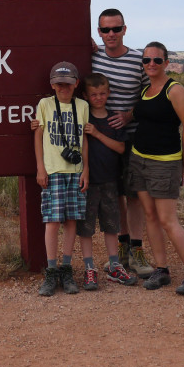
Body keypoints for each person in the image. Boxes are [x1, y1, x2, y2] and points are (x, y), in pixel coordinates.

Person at [127, 42, 184, 295]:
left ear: (166, 63)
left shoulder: (175, 90)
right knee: (150, 216)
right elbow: (141, 115)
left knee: (168, 220)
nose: (151, 64)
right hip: (139, 159)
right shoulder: (146, 90)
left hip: (165, 163)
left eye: (156, 61)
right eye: (146, 60)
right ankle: (161, 269)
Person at [90, 8, 156, 277]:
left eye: (116, 29)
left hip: (131, 138)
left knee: (134, 196)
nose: (111, 34)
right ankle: (123, 249)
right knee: (115, 195)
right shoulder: (93, 58)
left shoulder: (137, 60)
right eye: (105, 30)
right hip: (102, 140)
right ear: (99, 32)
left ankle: (138, 251)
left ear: (125, 30)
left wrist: (129, 115)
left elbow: (149, 94)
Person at [34, 61, 89, 296]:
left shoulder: (83, 106)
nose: (63, 87)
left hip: (75, 171)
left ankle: (67, 268)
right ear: (52, 85)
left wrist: (86, 169)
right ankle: (52, 269)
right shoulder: (45, 104)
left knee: (72, 221)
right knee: (52, 221)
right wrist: (40, 168)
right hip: (53, 170)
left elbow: (85, 140)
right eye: (58, 84)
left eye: (67, 83)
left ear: (76, 84)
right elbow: (38, 136)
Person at [80, 73, 138, 289]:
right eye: (94, 94)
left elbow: (121, 147)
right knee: (85, 227)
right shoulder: (83, 116)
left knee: (112, 225)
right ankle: (89, 268)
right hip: (88, 181)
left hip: (110, 180)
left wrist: (96, 133)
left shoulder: (114, 119)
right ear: (86, 95)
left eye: (103, 93)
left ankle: (115, 265)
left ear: (109, 93)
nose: (98, 98)